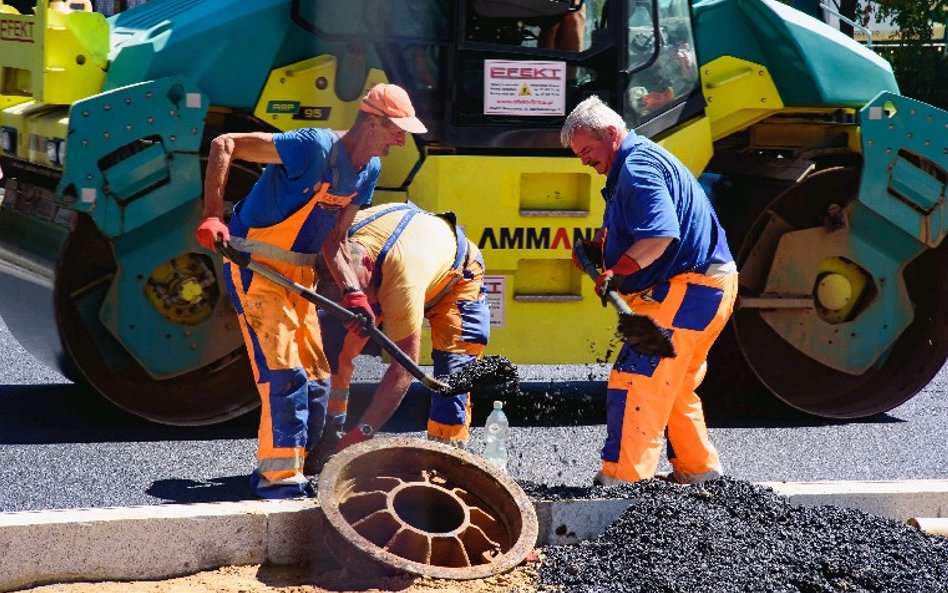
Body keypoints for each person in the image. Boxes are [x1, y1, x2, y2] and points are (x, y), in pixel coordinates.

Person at [194, 83, 427, 499]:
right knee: (284, 372)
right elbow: (225, 143)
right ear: (372, 121)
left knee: (319, 381)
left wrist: (354, 294)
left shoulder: (368, 170)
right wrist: (214, 217)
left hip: (301, 279)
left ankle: (306, 469)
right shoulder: (312, 147)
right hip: (257, 268)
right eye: (396, 129)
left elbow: (335, 240)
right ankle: (278, 479)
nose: (400, 139)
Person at [561, 95, 738, 486]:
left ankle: (622, 484)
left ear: (611, 134)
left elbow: (660, 235)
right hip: (707, 287)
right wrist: (601, 251)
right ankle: (700, 474)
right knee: (673, 387)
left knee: (637, 377)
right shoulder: (633, 164)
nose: (584, 161)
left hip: (690, 289)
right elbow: (641, 231)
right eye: (578, 154)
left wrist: (617, 272)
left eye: (587, 150)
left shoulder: (638, 167)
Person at [316, 202, 490, 458]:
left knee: (452, 375)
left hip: (456, 279)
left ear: (366, 263)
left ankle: (446, 457)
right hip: (399, 258)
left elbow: (404, 369)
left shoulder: (402, 282)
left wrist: (362, 433)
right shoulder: (334, 239)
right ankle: (328, 433)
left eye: (358, 290)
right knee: (334, 343)